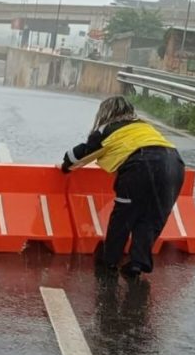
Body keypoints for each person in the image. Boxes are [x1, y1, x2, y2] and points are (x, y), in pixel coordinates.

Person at [60, 96, 185, 278]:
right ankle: (137, 262)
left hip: (140, 166)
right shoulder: (143, 126)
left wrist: (65, 165)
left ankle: (110, 260)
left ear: (106, 113)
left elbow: (79, 154)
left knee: (124, 216)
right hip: (175, 164)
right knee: (151, 218)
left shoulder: (108, 128)